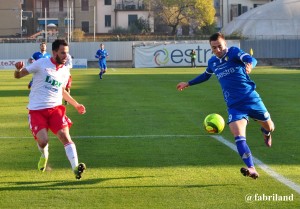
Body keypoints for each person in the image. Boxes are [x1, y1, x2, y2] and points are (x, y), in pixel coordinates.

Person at [177, 32, 275, 180]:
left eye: (219, 47)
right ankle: (251, 168)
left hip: (251, 99)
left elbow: (251, 59)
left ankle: (265, 132)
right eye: (214, 48)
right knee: (238, 135)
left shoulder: (234, 52)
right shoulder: (213, 62)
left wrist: (250, 66)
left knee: (270, 126)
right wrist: (188, 83)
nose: (217, 50)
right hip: (234, 105)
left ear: (225, 45)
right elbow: (205, 75)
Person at [14, 39, 86, 180]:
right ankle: (44, 154)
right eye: (62, 53)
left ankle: (76, 168)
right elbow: (19, 75)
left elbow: (62, 90)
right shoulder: (41, 63)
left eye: (67, 53)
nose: (66, 56)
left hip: (55, 109)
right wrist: (17, 69)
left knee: (65, 137)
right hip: (37, 110)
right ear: (54, 53)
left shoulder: (65, 71)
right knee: (43, 141)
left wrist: (76, 105)